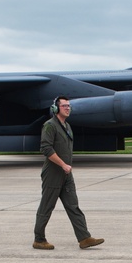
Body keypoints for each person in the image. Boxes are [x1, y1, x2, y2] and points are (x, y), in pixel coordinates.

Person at [33, 96, 104, 250]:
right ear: (56, 109)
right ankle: (39, 239)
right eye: (64, 106)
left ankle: (84, 238)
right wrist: (63, 164)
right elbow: (46, 149)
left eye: (69, 106)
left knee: (73, 206)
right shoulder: (50, 126)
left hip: (66, 174)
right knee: (46, 207)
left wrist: (66, 167)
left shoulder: (67, 126)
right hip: (53, 173)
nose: (68, 108)